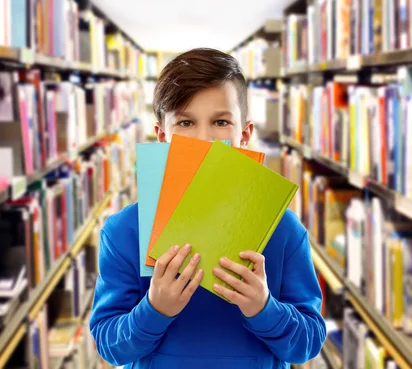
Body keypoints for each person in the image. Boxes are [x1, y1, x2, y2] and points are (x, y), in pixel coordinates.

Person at [89, 48, 326, 369]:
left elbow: (308, 344)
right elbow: (108, 345)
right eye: (185, 122)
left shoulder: (283, 227)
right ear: (162, 136)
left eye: (221, 121)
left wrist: (264, 307)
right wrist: (155, 309)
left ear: (245, 135)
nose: (204, 139)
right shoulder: (123, 231)